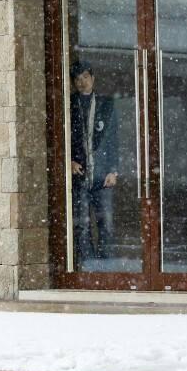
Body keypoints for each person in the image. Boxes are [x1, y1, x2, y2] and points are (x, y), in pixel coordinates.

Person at [69, 60, 119, 267]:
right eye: (78, 79)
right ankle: (87, 265)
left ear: (93, 79)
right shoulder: (69, 104)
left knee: (105, 222)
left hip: (102, 175)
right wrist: (69, 160)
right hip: (79, 173)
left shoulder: (107, 104)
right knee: (82, 224)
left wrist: (113, 170)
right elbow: (62, 137)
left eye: (85, 78)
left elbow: (114, 138)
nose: (82, 82)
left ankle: (105, 266)